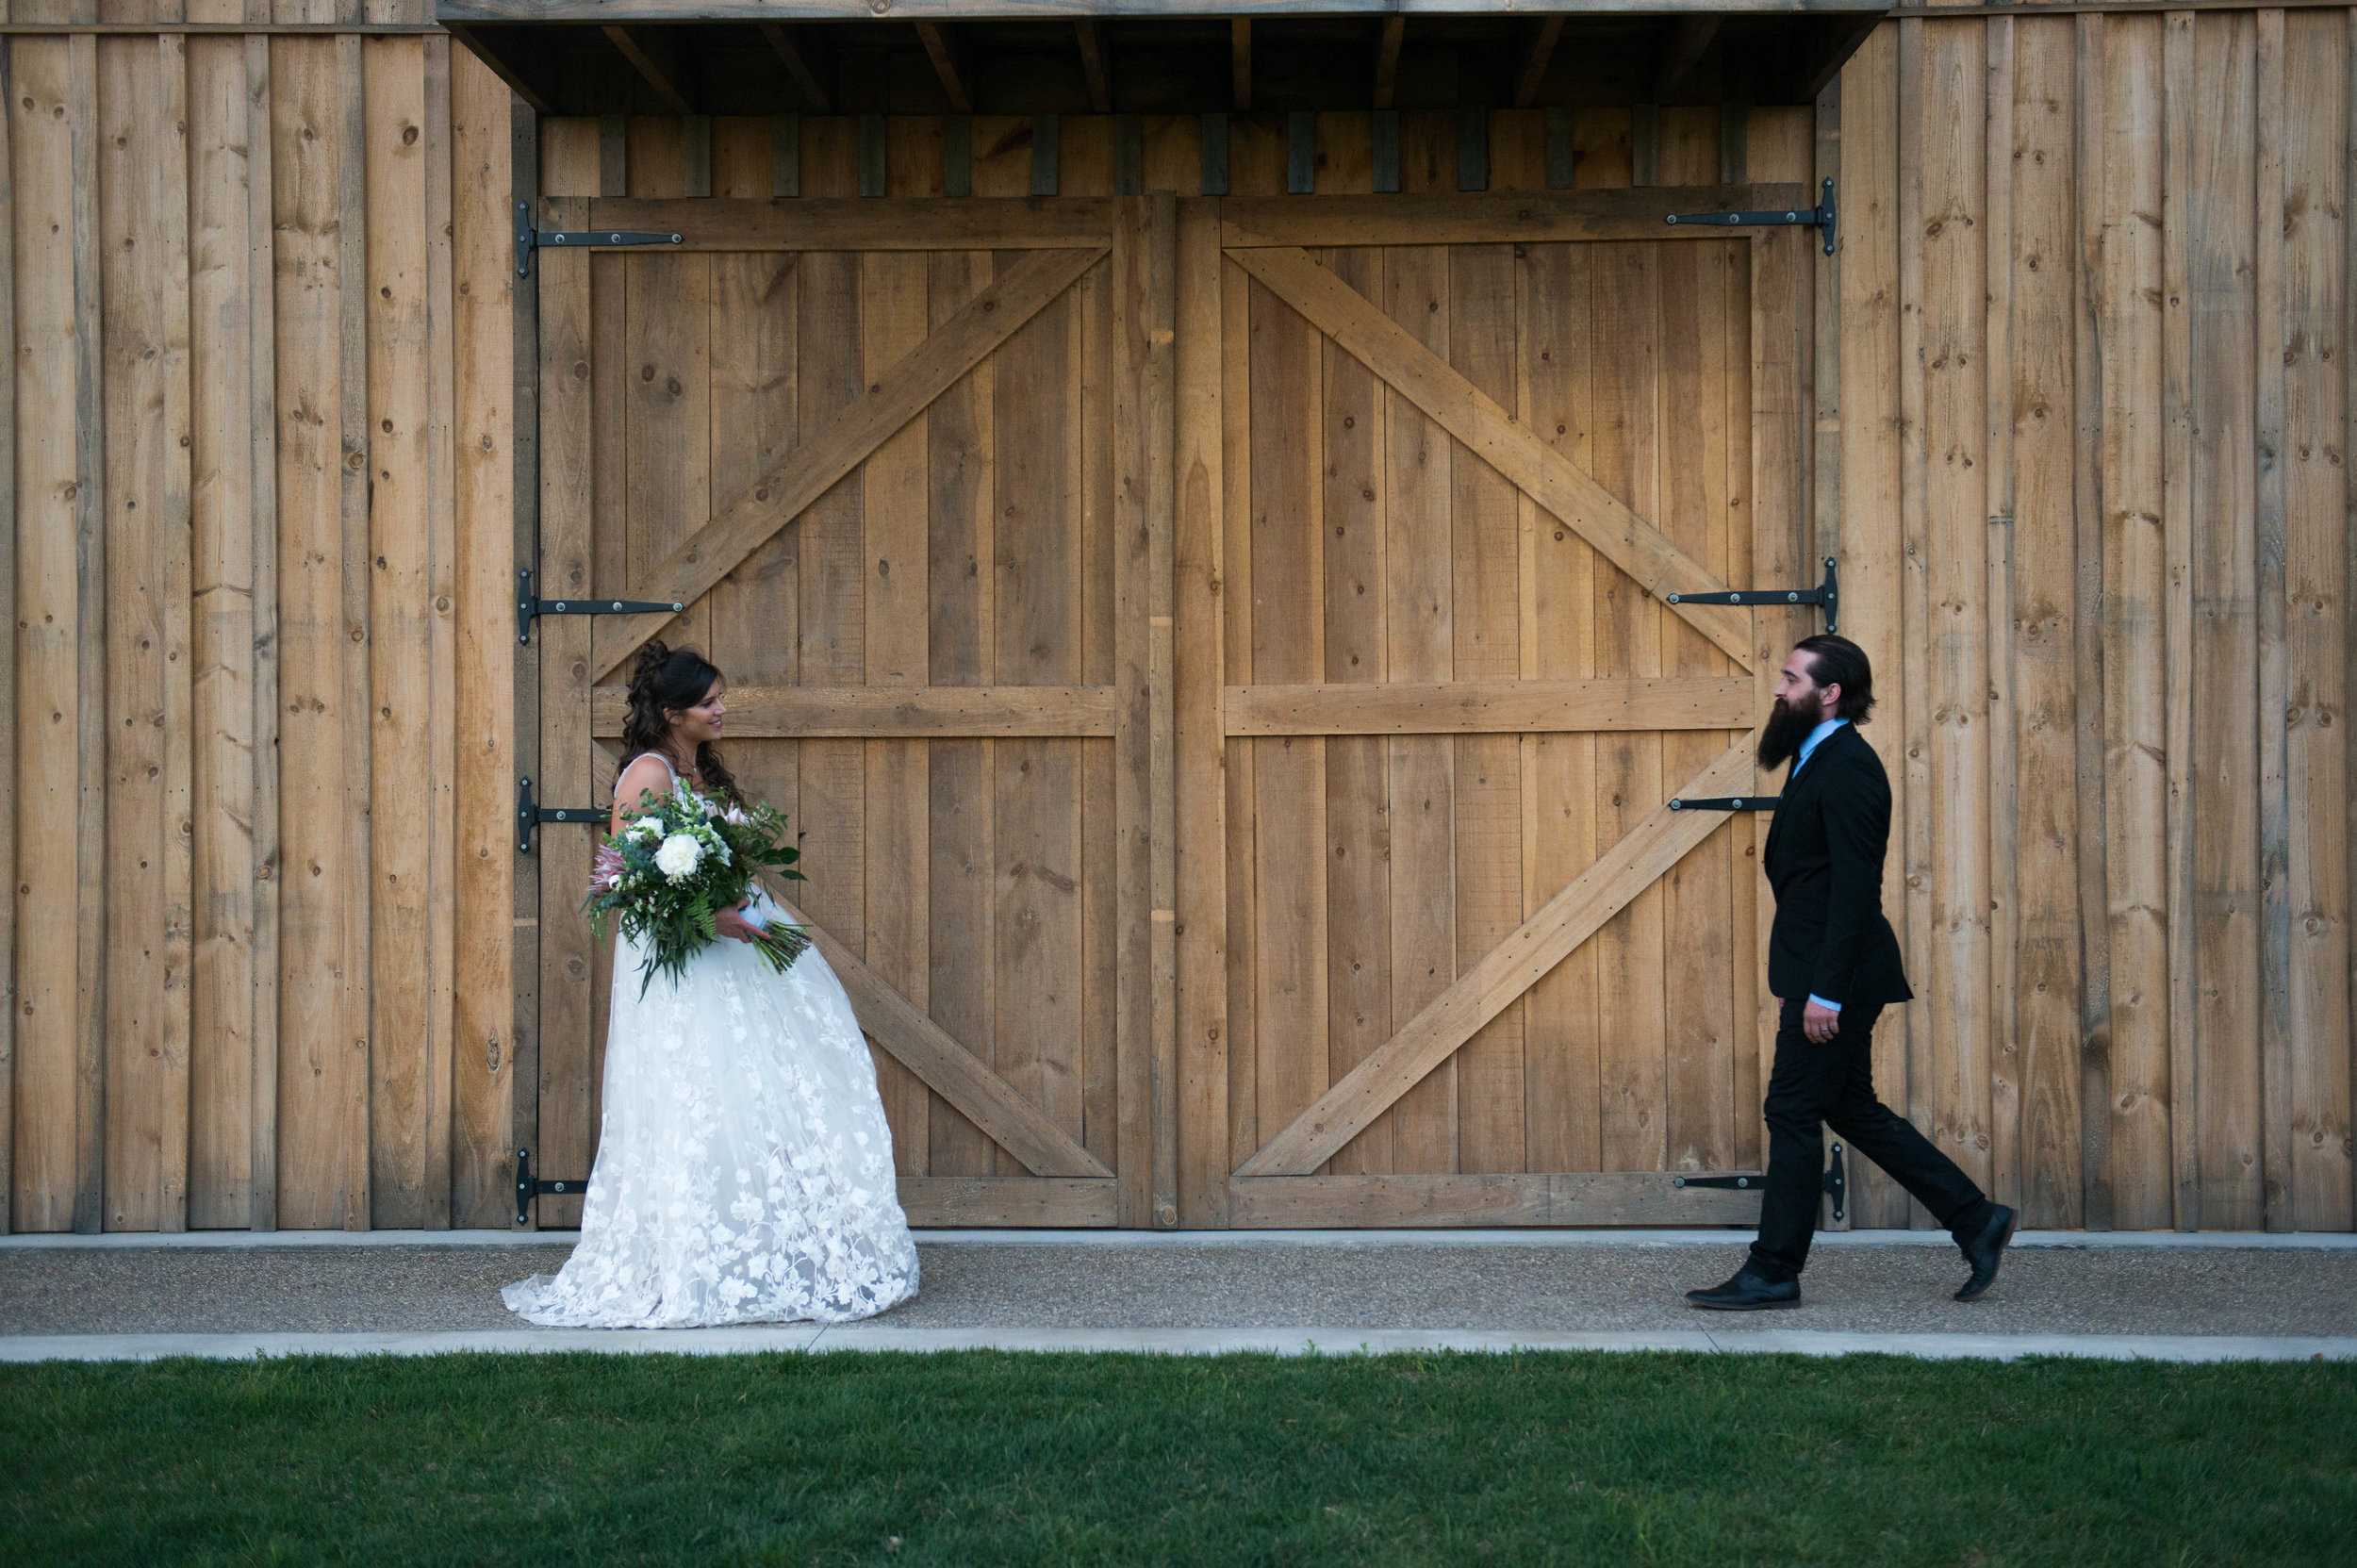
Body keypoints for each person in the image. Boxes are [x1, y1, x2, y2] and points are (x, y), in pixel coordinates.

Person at [504, 642, 919, 1328]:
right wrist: (711, 916)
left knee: (776, 1080)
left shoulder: (696, 770)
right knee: (701, 1097)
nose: (722, 709)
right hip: (687, 972)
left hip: (730, 951)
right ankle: (689, 1260)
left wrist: (745, 911)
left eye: (720, 698)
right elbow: (627, 887)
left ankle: (767, 1243)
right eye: (709, 702)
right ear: (672, 713)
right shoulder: (648, 774)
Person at [1686, 635, 2015, 1311]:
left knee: (1792, 1108)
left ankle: (1775, 1266)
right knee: (1849, 1107)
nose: (1779, 689)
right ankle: (1976, 1218)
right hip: (1826, 971)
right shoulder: (1814, 758)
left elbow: (1855, 891)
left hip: (1836, 977)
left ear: (1829, 691)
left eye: (1790, 678)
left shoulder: (1850, 767)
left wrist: (1825, 991)